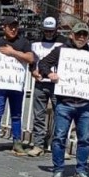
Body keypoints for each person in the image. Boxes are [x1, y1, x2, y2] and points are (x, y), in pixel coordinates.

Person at [38, 22, 89, 177]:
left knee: (85, 139)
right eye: (78, 34)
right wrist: (50, 74)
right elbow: (43, 63)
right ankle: (58, 169)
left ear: (88, 37)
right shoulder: (61, 50)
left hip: (85, 104)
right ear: (71, 35)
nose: (81, 37)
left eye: (84, 35)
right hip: (64, 103)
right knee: (59, 137)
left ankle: (81, 170)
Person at [0, 16, 34, 156]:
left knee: (17, 114)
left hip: (16, 85)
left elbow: (30, 58)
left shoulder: (23, 42)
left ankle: (17, 142)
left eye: (15, 26)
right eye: (10, 26)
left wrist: (12, 52)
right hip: (0, 85)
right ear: (3, 27)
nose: (13, 29)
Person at [27, 16, 67, 157]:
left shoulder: (63, 42)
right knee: (39, 115)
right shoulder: (35, 42)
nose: (49, 33)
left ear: (56, 29)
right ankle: (38, 145)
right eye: (46, 31)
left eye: (51, 31)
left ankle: (59, 147)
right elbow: (32, 62)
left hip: (57, 84)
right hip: (40, 82)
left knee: (61, 115)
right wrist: (33, 71)